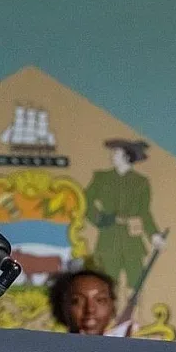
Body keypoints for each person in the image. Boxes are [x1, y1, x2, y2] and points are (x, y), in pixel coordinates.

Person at [83, 139, 167, 294]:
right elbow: (85, 201)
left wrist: (154, 235)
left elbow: (144, 213)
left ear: (127, 157)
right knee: (106, 284)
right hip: (109, 237)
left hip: (132, 239)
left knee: (135, 284)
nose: (112, 156)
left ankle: (133, 316)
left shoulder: (141, 182)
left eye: (116, 153)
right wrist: (101, 219)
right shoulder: (102, 178)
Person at [47, 268, 135, 336]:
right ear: (62, 306)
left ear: (112, 305)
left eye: (100, 300)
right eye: (77, 301)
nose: (90, 309)